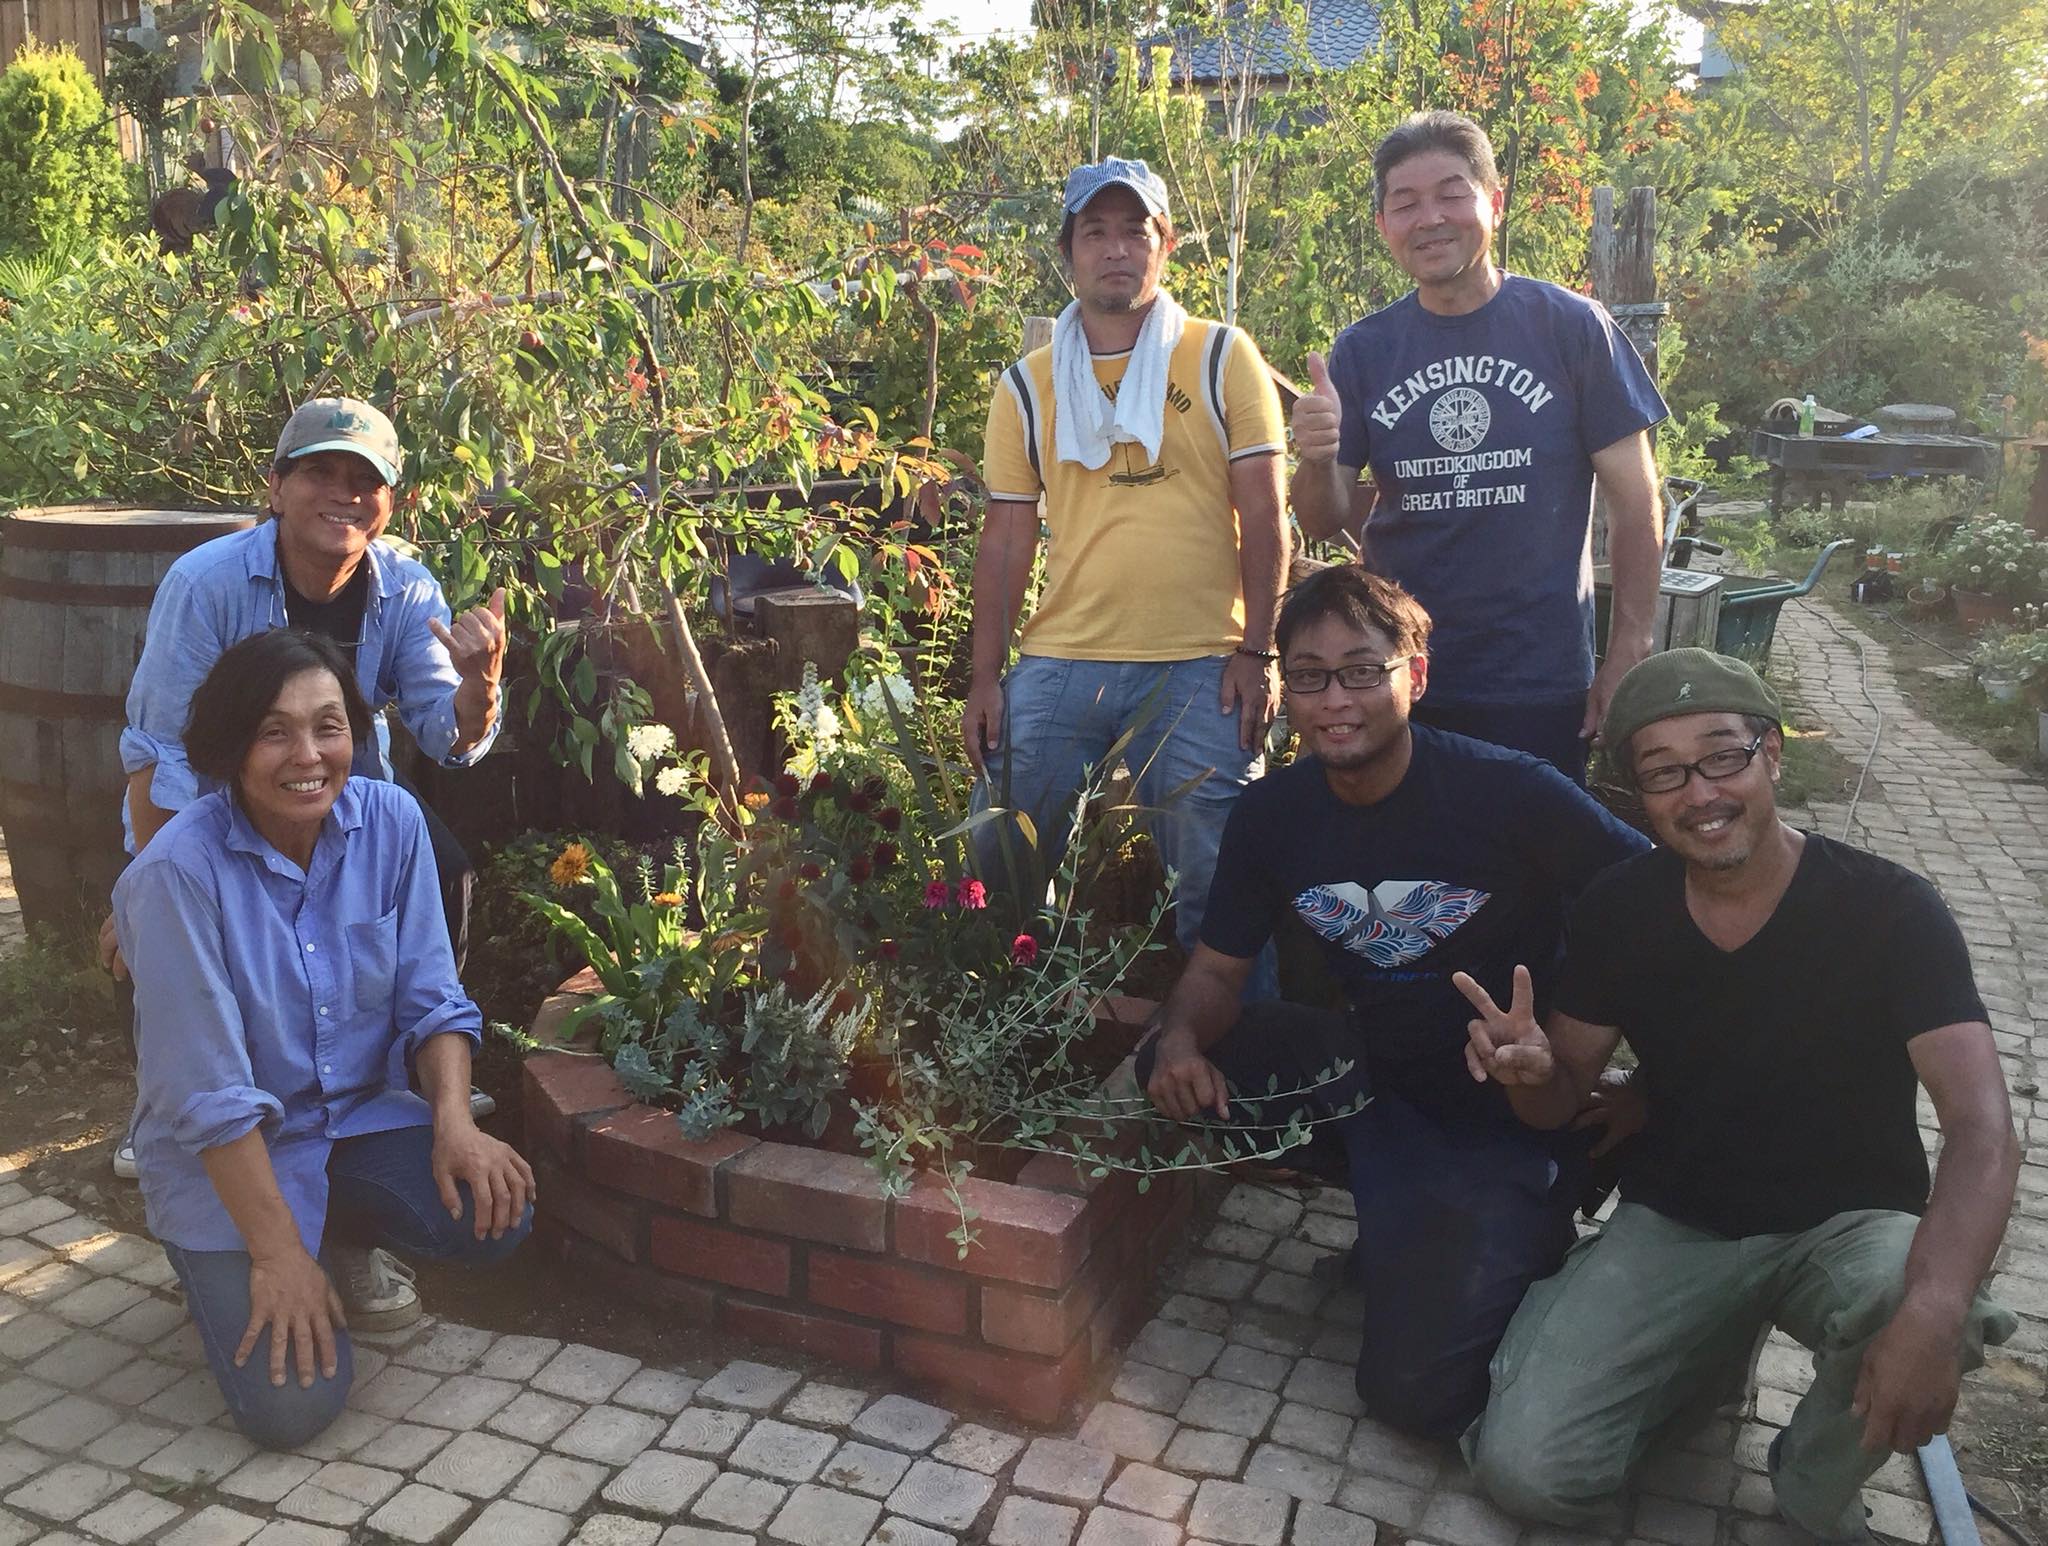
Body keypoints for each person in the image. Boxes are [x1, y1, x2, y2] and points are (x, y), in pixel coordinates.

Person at [1461, 649, 2019, 1538]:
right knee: (1530, 1476)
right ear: (1639, 797)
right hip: (1678, 1220)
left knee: (1915, 1296)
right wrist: (1529, 1073)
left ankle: (1814, 1484)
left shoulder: (1891, 910)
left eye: (1724, 755)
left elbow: (1982, 1128)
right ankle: (1706, 1357)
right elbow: (1559, 1101)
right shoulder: (1619, 909)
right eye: (1664, 773)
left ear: (1773, 754)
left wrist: (1936, 1306)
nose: (1701, 791)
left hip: (1849, 1224)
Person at [1138, 564, 1648, 1438]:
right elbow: (1218, 974)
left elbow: (1660, 907)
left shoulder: (1509, 791)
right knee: (1166, 1059)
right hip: (1371, 1078)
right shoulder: (1274, 815)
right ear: (1286, 689)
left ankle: (1526, 1217)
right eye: (1308, 675)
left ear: (1414, 675)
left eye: (1362, 670)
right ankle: (1403, 1214)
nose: (1335, 698)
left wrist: (1652, 1086)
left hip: (1504, 1108)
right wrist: (1182, 1039)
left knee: (1419, 1400)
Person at [113, 630, 533, 1450]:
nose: (308, 755)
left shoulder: (391, 822)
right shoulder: (175, 877)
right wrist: (275, 1257)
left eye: (328, 726)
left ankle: (335, 1235)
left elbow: (432, 996)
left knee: (493, 1211)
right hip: (228, 1157)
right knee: (295, 1409)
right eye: (274, 731)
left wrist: (455, 1122)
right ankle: (237, 1258)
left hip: (351, 1120)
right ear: (230, 748)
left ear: (357, 734)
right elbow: (209, 1097)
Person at [106, 396, 506, 1174]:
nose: (344, 494)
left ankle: (405, 1069)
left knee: (445, 865)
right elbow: (156, 749)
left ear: (392, 500)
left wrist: (480, 687)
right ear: (276, 486)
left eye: (365, 479)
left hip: (348, 803)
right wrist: (147, 885)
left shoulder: (407, 589)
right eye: (320, 471)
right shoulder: (208, 583)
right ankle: (165, 1097)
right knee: (169, 925)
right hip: (223, 804)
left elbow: (443, 734)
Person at [964, 157, 1288, 977]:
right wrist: (985, 676)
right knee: (998, 836)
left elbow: (1264, 513)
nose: (1116, 249)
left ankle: (1241, 1054)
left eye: (1134, 231)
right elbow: (1005, 539)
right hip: (1064, 655)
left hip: (1202, 661)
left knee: (1223, 864)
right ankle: (987, 1013)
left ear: (1165, 246)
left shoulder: (1220, 357)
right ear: (1068, 252)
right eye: (1095, 232)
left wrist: (1260, 649)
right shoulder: (1028, 385)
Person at [1289, 111, 1668, 782]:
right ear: (1383, 226)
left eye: (1451, 193)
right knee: (1408, 877)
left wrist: (1628, 649)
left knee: (1531, 872)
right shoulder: (1363, 351)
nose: (1429, 218)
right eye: (1405, 203)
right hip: (1398, 678)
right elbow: (1320, 519)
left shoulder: (1572, 329)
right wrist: (1316, 459)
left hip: (1538, 677)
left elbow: (1637, 504)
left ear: (1493, 202)